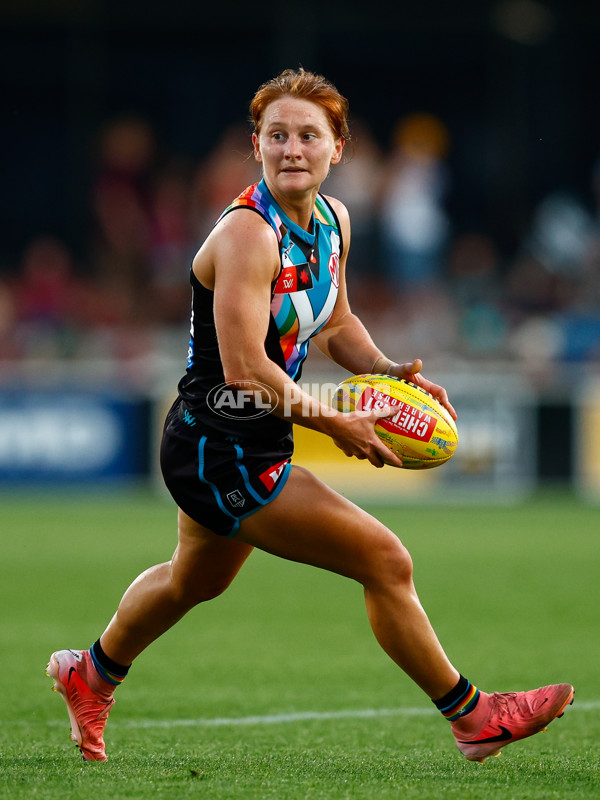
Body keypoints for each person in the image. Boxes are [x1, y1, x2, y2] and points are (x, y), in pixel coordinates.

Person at [46, 67, 573, 764]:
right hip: (217, 448)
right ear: (256, 146)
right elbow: (245, 370)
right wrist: (335, 422)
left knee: (193, 580)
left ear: (338, 148)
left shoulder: (333, 222)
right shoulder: (247, 234)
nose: (291, 148)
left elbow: (336, 323)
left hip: (250, 438)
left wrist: (389, 371)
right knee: (385, 560)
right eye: (276, 135)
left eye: (308, 135)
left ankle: (90, 673)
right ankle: (475, 717)